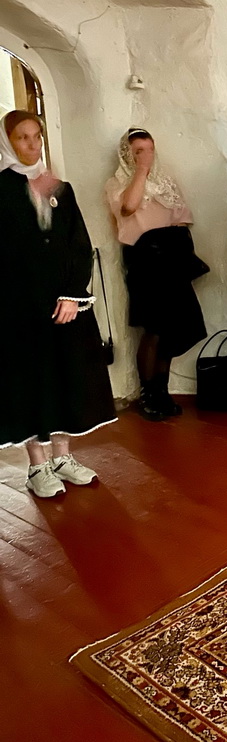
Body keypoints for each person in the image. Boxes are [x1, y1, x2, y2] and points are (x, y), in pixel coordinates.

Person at [0, 110, 116, 498]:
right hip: (21, 307)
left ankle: (63, 457)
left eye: (37, 136)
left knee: (69, 375)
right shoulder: (1, 190)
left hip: (65, 304)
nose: (33, 145)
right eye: (22, 138)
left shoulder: (59, 188)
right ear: (7, 142)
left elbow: (79, 243)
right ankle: (38, 465)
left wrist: (71, 294)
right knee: (33, 381)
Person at [106, 129, 208, 421]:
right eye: (139, 151)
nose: (146, 156)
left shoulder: (165, 181)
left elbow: (182, 217)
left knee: (173, 328)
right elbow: (129, 207)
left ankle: (162, 391)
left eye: (150, 150)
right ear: (127, 154)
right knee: (154, 328)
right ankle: (148, 394)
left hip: (171, 256)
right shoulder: (117, 183)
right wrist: (141, 171)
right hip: (145, 259)